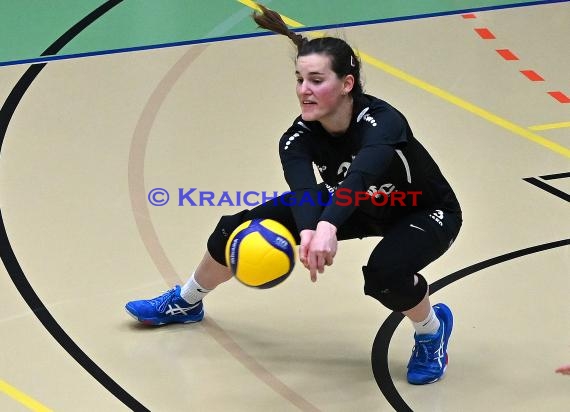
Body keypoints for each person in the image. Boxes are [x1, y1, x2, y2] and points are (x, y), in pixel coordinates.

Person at [125, 4, 462, 385]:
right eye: (299, 79)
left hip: (421, 210)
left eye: (316, 80)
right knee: (233, 228)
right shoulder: (297, 137)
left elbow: (362, 174)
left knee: (385, 275)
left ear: (347, 84)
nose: (304, 90)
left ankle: (431, 332)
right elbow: (303, 191)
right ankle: (186, 302)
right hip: (352, 203)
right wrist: (307, 232)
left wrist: (328, 228)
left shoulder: (384, 123)